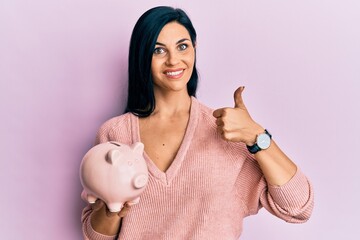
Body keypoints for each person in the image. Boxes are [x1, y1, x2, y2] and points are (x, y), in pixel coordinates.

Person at [81, 6, 314, 240]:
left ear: (194, 49)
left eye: (182, 46)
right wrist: (112, 213)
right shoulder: (115, 133)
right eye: (158, 51)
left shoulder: (229, 132)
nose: (174, 60)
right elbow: (96, 236)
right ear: (142, 57)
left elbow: (299, 207)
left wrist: (256, 135)